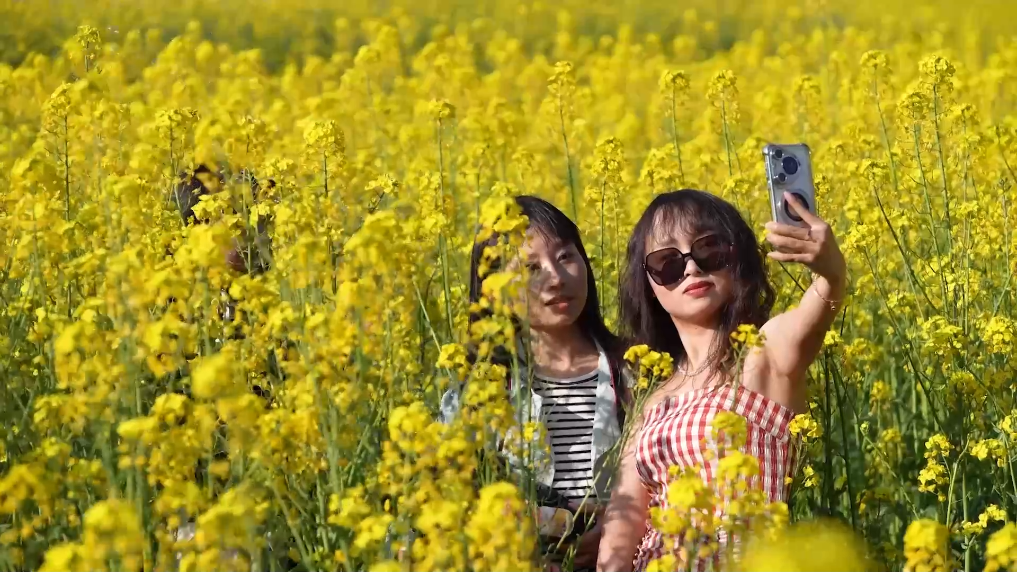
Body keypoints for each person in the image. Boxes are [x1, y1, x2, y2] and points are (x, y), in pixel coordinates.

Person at [596, 189, 846, 572]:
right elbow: (624, 522)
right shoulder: (653, 399)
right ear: (649, 286)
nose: (691, 269)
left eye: (708, 249)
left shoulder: (763, 353)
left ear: (736, 256)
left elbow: (820, 305)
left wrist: (831, 273)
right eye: (667, 262)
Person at [440, 195, 633, 571]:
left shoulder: (637, 372)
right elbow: (443, 505)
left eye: (565, 257)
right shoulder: (480, 390)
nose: (556, 279)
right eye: (530, 268)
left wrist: (621, 531)